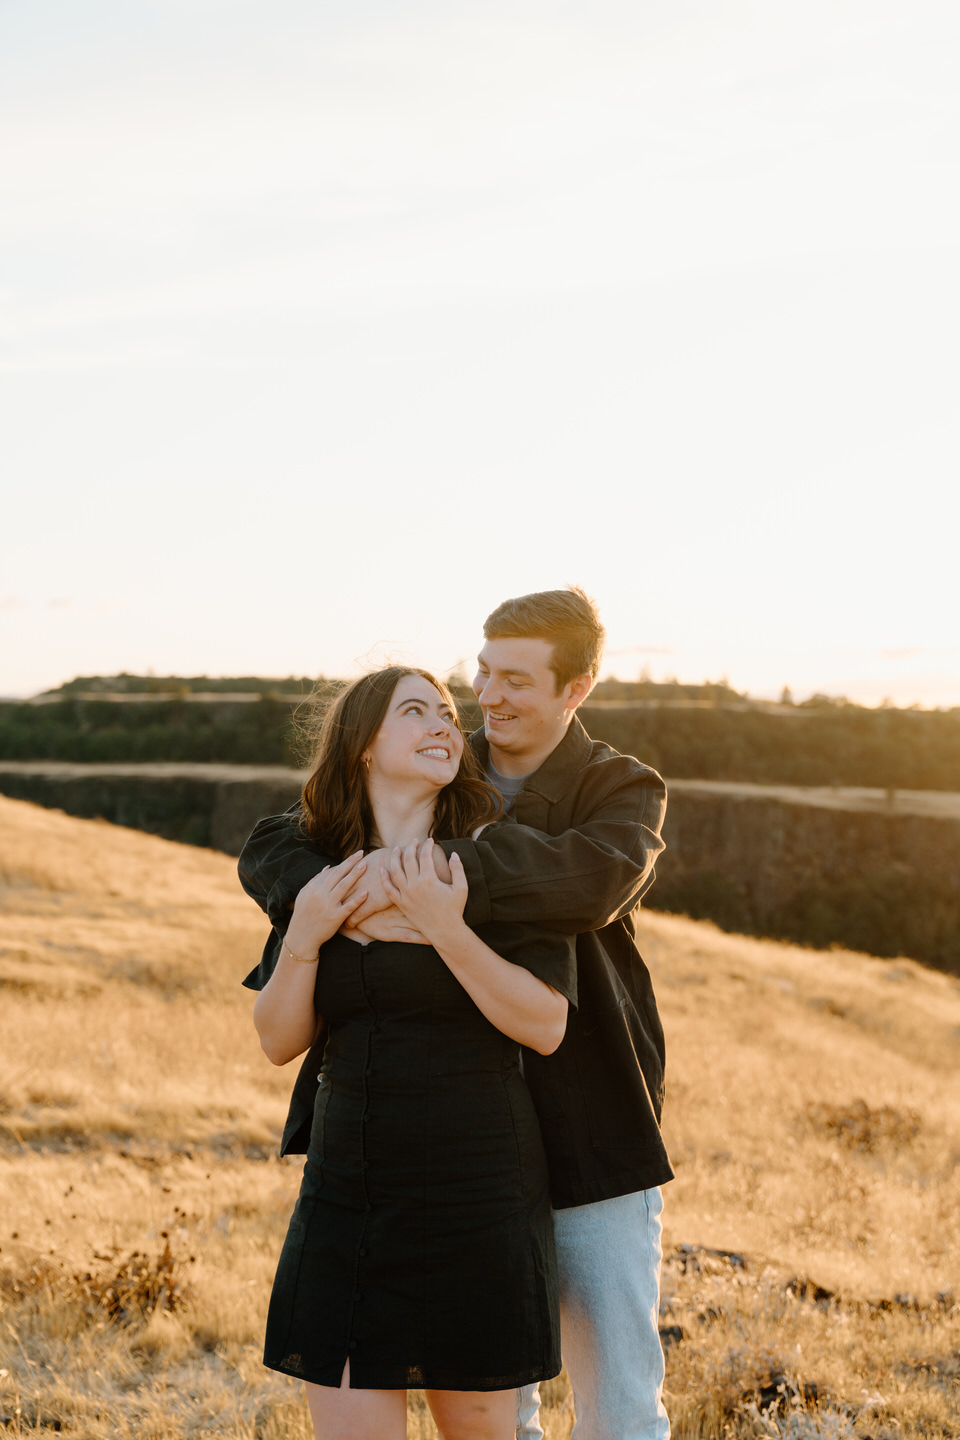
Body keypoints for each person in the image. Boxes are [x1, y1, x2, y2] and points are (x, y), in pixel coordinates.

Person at [240, 588, 672, 1440]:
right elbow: (280, 841)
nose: (487, 695)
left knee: (617, 1400)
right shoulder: (449, 766)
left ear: (575, 689)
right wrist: (338, 901)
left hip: (582, 1115)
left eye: (515, 678)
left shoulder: (619, 787)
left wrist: (430, 886)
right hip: (434, 1127)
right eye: (482, 672)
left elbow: (589, 883)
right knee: (505, 1407)